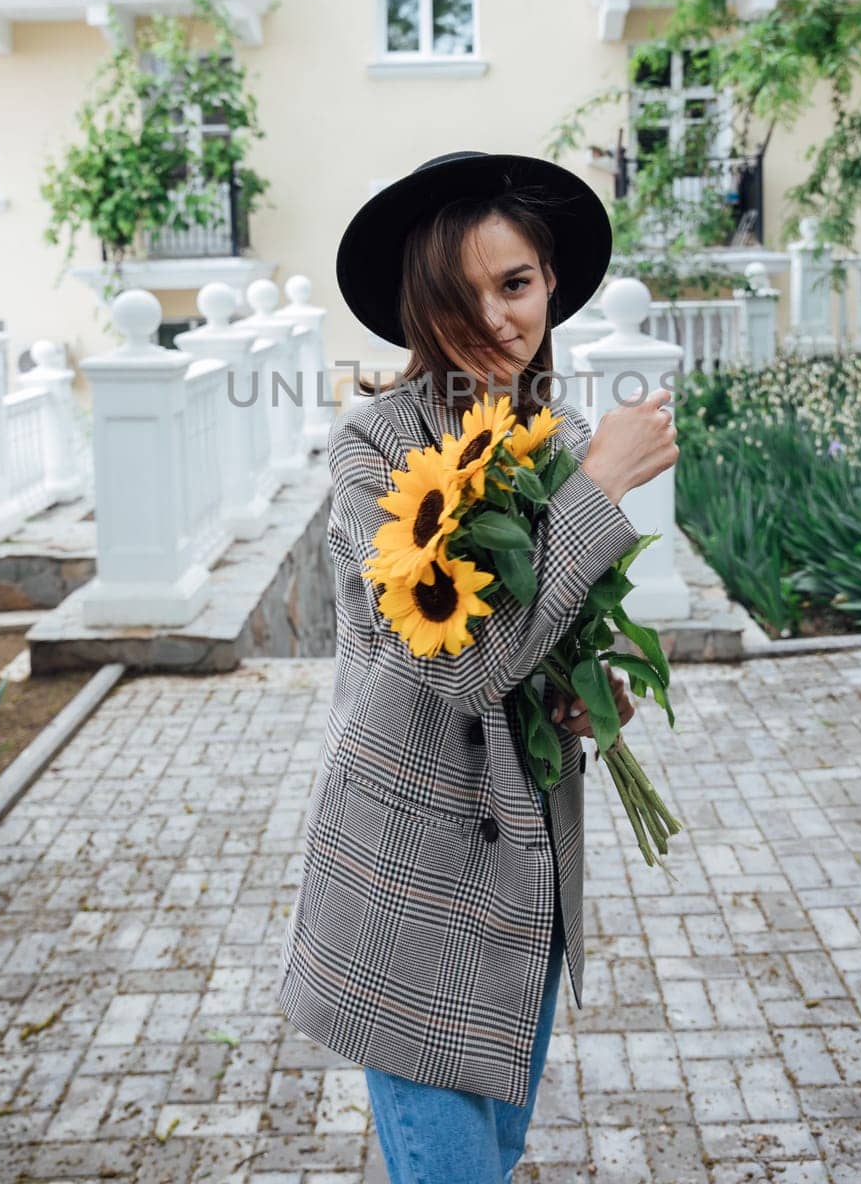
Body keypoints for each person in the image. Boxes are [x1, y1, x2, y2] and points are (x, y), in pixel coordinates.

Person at [276, 150, 678, 1184]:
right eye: (463, 292)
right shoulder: (374, 448)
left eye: (515, 283)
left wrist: (585, 698)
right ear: (417, 302)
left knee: (487, 1158)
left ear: (548, 281)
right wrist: (598, 485)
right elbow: (457, 666)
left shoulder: (559, 434)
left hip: (521, 872)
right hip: (410, 873)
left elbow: (533, 644)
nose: (497, 318)